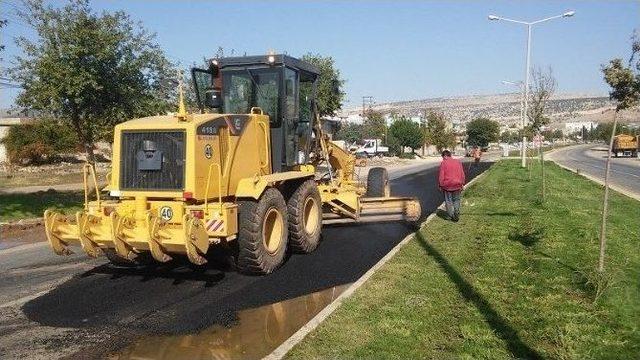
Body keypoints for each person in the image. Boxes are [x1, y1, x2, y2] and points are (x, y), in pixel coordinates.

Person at [438, 149, 466, 222]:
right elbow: (462, 173)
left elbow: (441, 175)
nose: (443, 159)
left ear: (445, 156)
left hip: (447, 185)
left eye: (443, 157)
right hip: (457, 184)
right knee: (456, 199)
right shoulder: (458, 162)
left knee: (448, 201)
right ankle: (456, 212)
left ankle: (451, 215)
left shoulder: (443, 163)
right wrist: (462, 183)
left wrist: (440, 185)